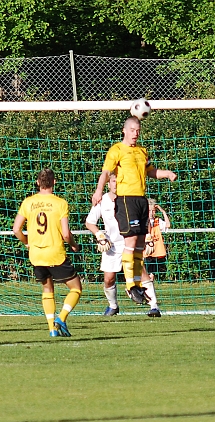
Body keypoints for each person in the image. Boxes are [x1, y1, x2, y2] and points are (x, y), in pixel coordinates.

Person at [91, 116, 177, 305]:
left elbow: (150, 171)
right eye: (132, 130)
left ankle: (136, 284)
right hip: (126, 199)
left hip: (141, 200)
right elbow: (106, 172)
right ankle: (130, 286)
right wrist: (99, 190)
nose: (135, 134)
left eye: (137, 130)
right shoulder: (116, 150)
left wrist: (166, 174)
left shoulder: (142, 152)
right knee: (130, 241)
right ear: (124, 130)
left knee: (139, 244)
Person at [13, 168, 82, 337]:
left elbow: (16, 229)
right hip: (55, 253)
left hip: (36, 255)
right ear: (54, 183)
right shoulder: (60, 203)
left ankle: (52, 329)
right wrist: (74, 245)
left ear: (37, 183)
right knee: (76, 288)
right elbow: (66, 234)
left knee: (47, 289)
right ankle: (61, 318)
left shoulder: (28, 202)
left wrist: (27, 242)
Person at [85, 172, 161, 317]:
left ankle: (154, 307)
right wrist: (99, 235)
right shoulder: (103, 201)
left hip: (129, 244)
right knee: (109, 278)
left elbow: (143, 220)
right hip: (112, 246)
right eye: (113, 181)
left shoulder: (129, 200)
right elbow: (90, 222)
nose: (116, 184)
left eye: (119, 181)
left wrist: (148, 237)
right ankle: (113, 306)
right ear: (108, 183)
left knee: (142, 273)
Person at [144, 198, 170, 281]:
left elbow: (168, 225)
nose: (151, 213)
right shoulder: (143, 221)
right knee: (144, 273)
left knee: (151, 275)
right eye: (149, 210)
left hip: (154, 251)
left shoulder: (157, 221)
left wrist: (163, 212)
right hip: (145, 252)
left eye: (153, 211)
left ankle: (149, 289)